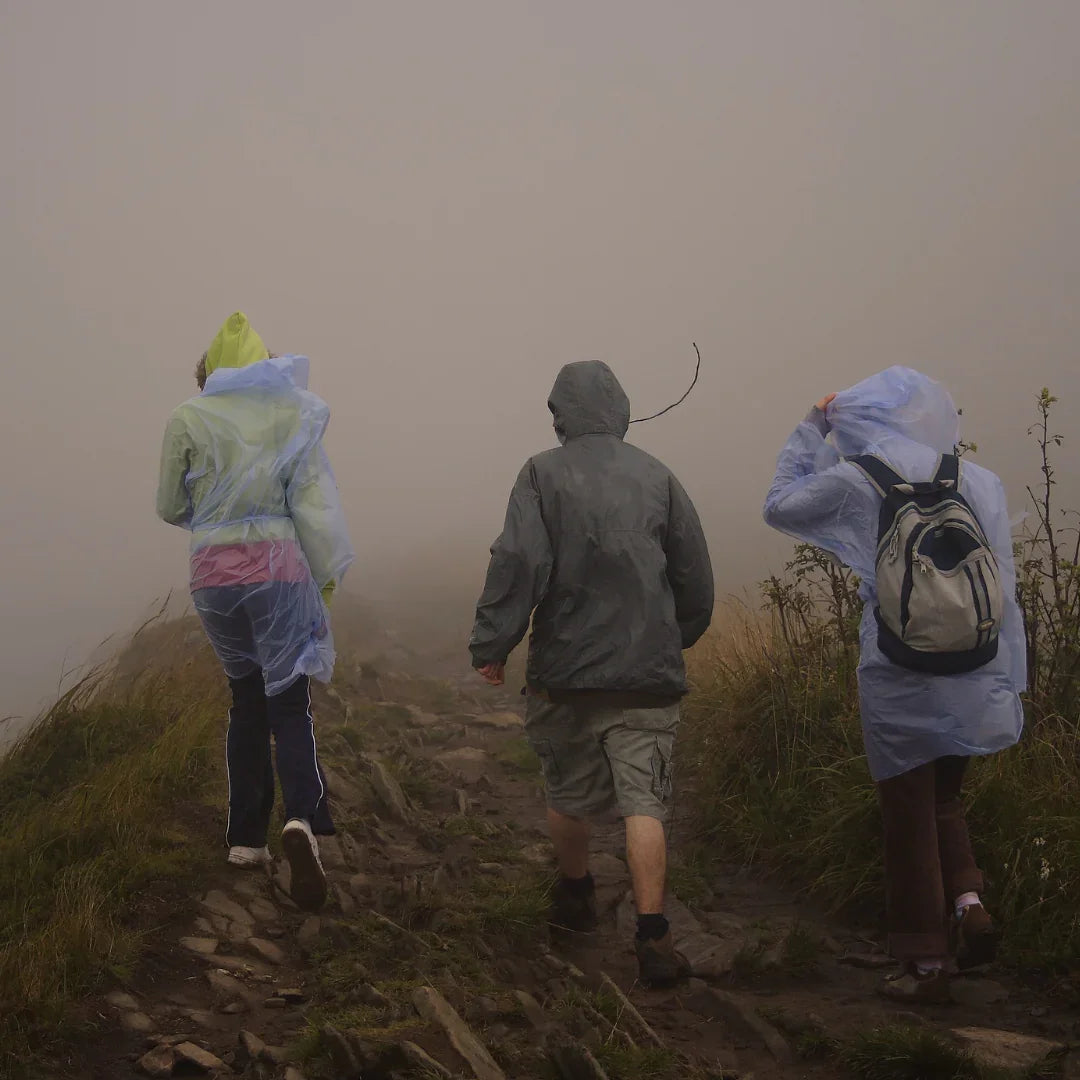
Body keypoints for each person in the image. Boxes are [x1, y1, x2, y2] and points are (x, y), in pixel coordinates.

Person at [763, 367, 1025, 1002]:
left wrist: (811, 425)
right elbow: (1005, 591)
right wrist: (1008, 680)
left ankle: (926, 966)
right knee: (944, 798)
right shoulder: (978, 480)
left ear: (861, 418)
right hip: (973, 667)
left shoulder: (859, 479)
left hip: (900, 673)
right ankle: (967, 904)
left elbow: (780, 506)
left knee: (906, 811)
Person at [469, 360, 714, 987]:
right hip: (647, 675)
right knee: (646, 803)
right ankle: (654, 936)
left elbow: (517, 560)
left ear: (560, 415)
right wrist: (671, 640)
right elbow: (694, 576)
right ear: (621, 409)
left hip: (565, 673)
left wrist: (494, 644)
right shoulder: (659, 476)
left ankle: (576, 894)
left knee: (568, 792)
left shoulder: (539, 474)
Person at [157, 312, 354, 913]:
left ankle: (245, 839)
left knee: (245, 698)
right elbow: (314, 507)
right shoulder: (291, 413)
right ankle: (301, 819)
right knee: (289, 699)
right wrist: (324, 580)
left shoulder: (187, 417)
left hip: (212, 576)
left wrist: (216, 518)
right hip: (278, 568)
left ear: (209, 374)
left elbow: (170, 505)